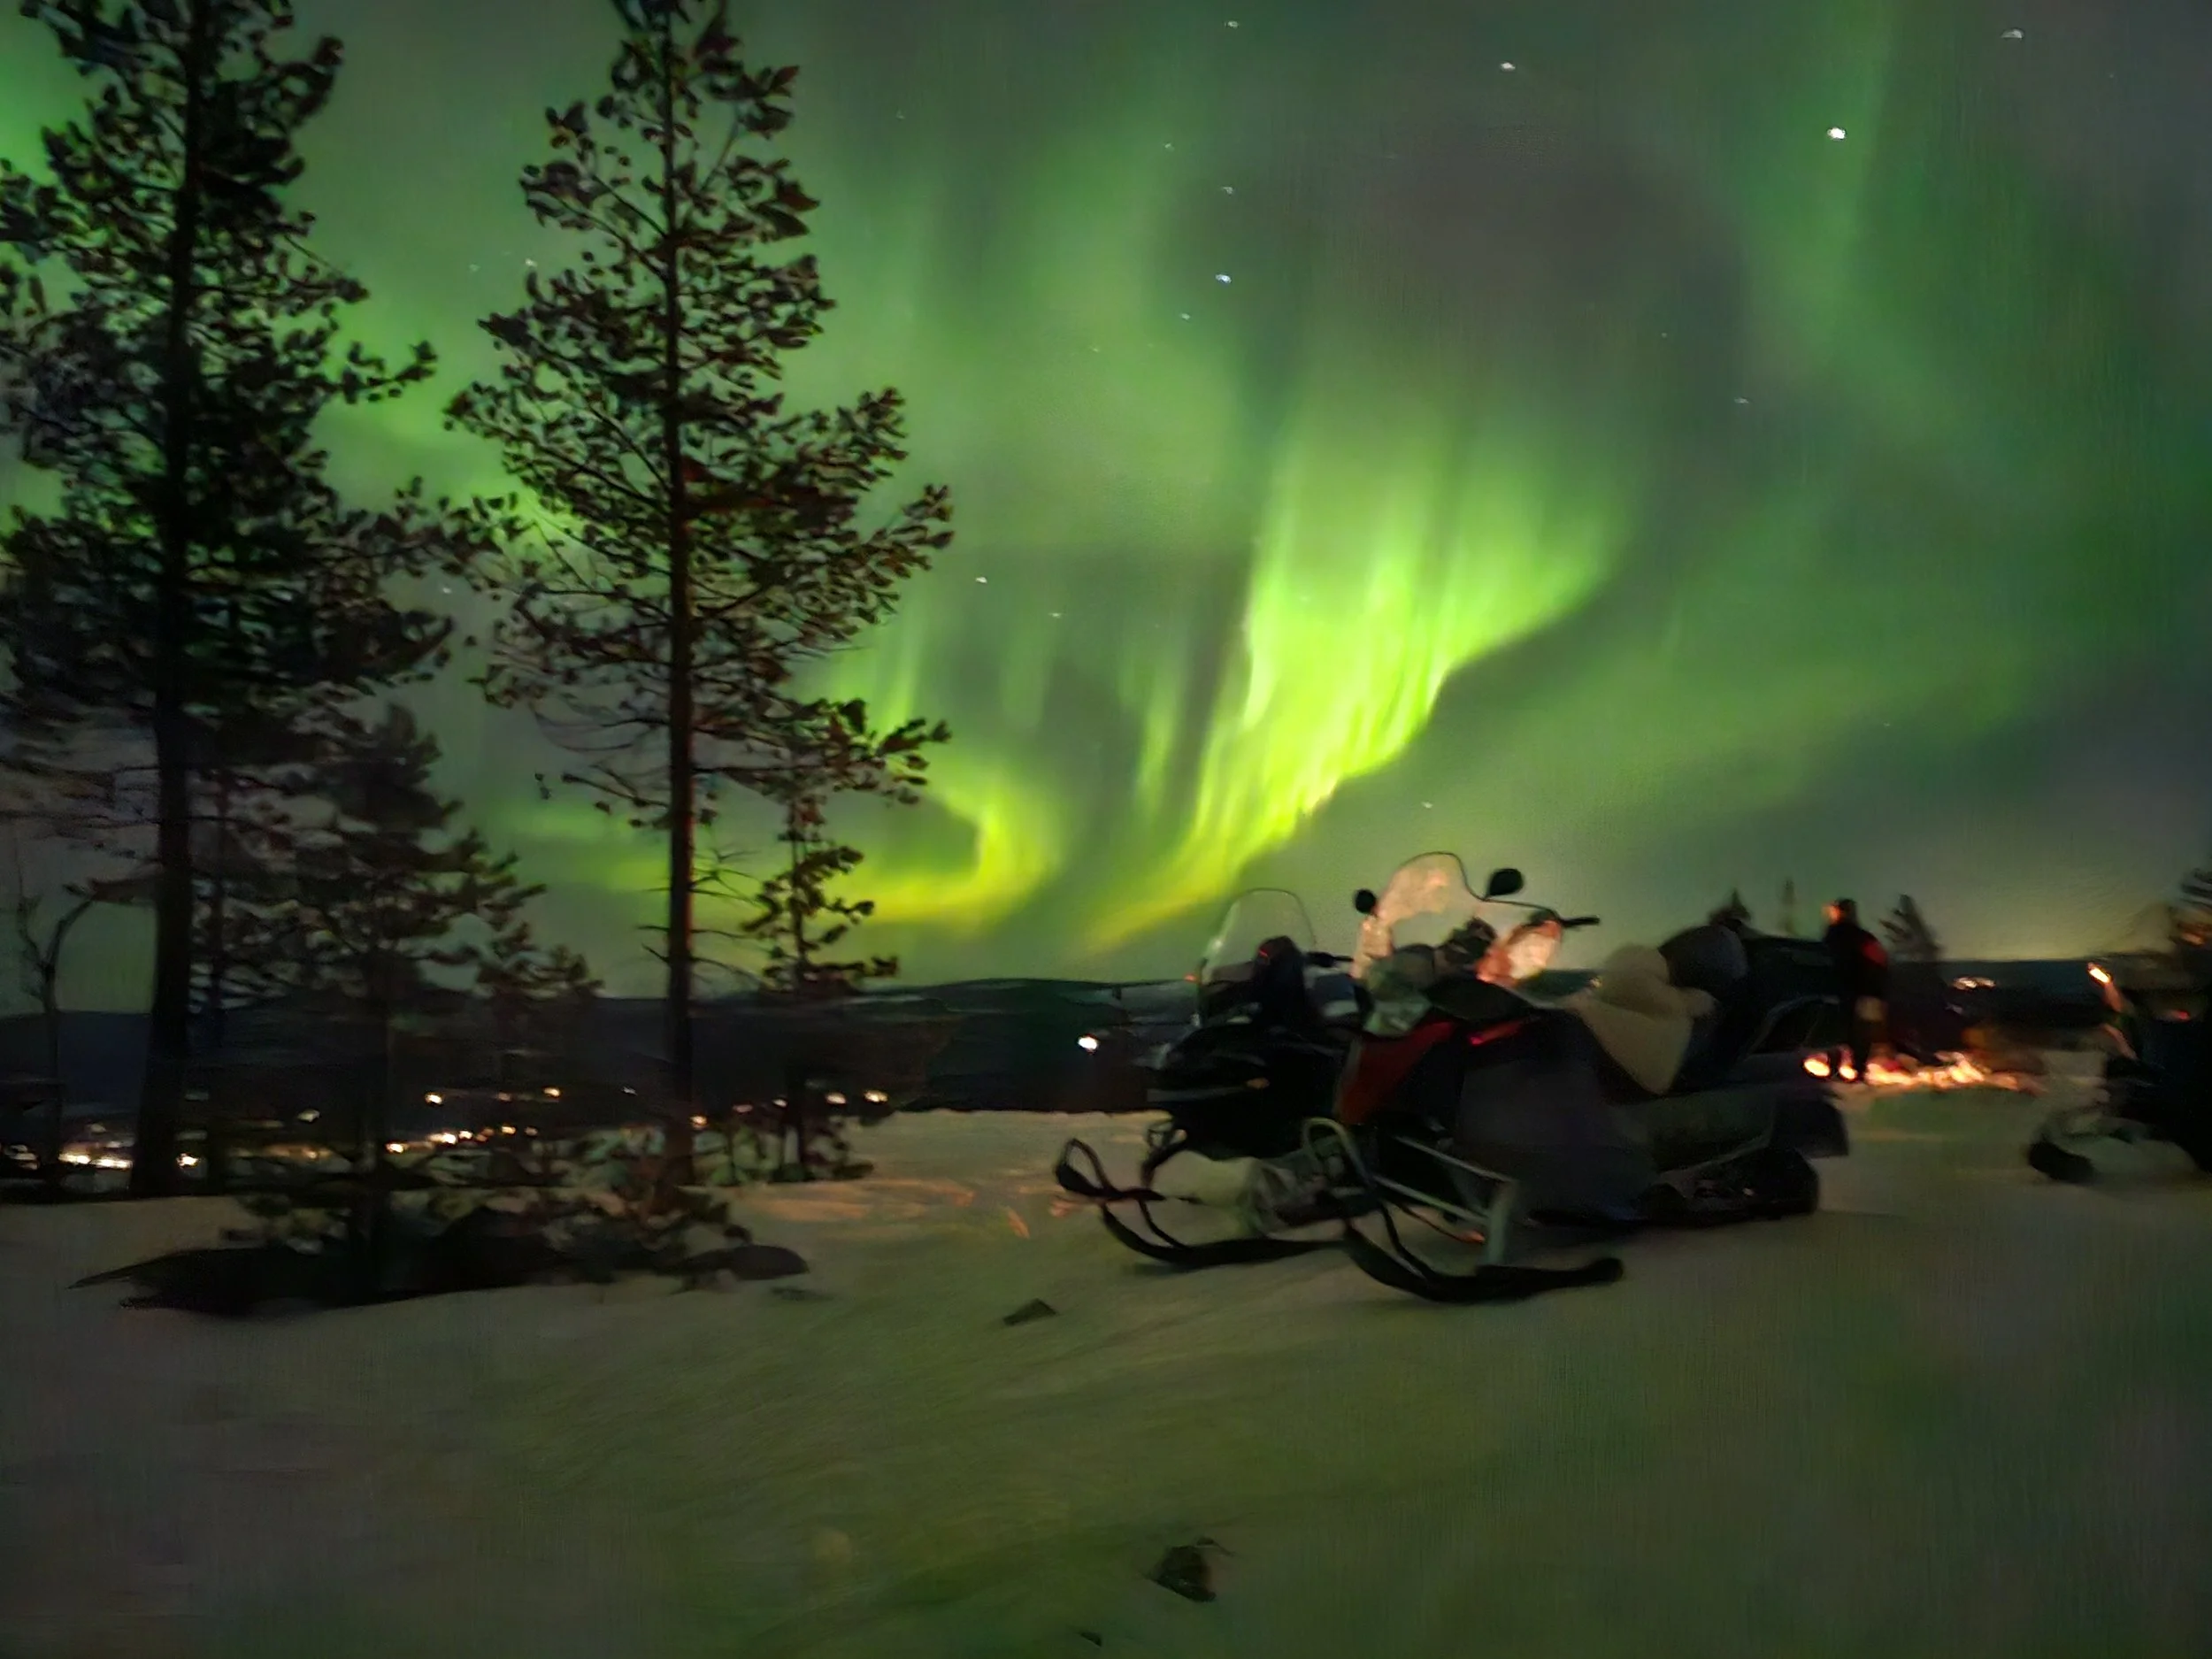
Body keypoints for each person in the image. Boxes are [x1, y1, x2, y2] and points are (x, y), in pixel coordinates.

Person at [1822, 898, 1889, 1080]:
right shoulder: (1863, 938)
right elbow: (1880, 963)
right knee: (1860, 1033)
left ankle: (1837, 1069)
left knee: (1839, 1030)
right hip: (1862, 992)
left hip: (1841, 991)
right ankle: (1857, 1070)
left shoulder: (1832, 938)